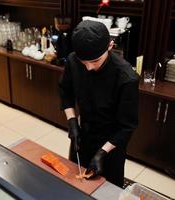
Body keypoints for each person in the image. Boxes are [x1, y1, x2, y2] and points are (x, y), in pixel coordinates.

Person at [59, 20, 139, 187]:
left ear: (110, 46)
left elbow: (127, 126)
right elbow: (65, 90)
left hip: (111, 144)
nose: (88, 68)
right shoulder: (74, 60)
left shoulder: (125, 78)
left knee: (107, 190)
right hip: (82, 136)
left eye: (95, 61)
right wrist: (72, 121)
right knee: (76, 186)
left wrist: (102, 152)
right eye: (84, 62)